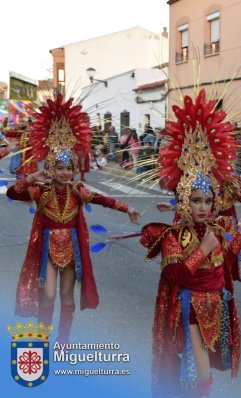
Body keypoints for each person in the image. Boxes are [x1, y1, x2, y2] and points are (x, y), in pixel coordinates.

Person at [141, 88, 241, 398]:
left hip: (216, 304)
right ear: (183, 202)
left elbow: (226, 262)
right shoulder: (173, 236)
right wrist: (203, 250)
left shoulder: (219, 227)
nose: (204, 207)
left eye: (208, 200)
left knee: (194, 366)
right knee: (201, 370)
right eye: (196, 200)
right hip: (189, 306)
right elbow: (176, 276)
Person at [6, 94, 140, 343]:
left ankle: (63, 341)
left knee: (67, 296)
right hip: (46, 247)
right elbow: (15, 192)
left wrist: (128, 208)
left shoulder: (78, 191)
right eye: (60, 168)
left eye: (69, 168)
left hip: (71, 248)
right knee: (47, 295)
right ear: (52, 168)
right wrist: (32, 177)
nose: (65, 173)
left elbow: (104, 200)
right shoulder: (41, 190)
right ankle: (43, 338)